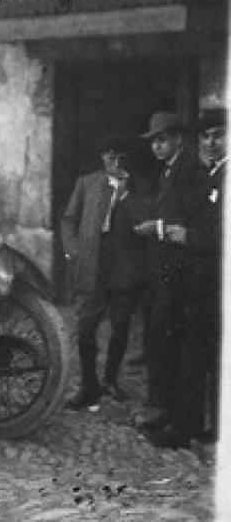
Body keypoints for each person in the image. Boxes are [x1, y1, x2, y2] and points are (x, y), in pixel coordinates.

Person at [147, 107, 225, 448]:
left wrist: (185, 235)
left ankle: (190, 426)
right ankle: (192, 422)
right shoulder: (212, 174)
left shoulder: (213, 174)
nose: (210, 142)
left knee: (201, 352)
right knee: (194, 350)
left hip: (213, 277)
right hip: (200, 275)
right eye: (206, 136)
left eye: (219, 135)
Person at [62, 135, 149, 410]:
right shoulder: (86, 183)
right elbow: (68, 220)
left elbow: (144, 223)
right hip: (92, 266)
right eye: (110, 155)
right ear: (102, 157)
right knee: (85, 327)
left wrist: (126, 193)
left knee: (120, 326)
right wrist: (73, 251)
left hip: (125, 267)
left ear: (128, 158)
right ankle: (89, 385)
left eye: (121, 156)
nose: (115, 161)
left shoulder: (141, 186)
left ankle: (110, 379)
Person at [132, 111, 205, 434]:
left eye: (162, 140)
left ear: (178, 138)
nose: (156, 147)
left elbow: (190, 217)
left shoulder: (189, 168)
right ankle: (161, 405)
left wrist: (157, 227)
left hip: (179, 267)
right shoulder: (169, 170)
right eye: (153, 142)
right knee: (160, 336)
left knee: (170, 338)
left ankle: (168, 409)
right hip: (163, 266)